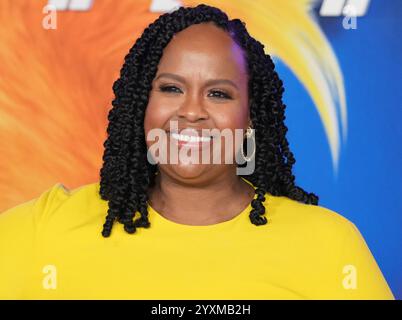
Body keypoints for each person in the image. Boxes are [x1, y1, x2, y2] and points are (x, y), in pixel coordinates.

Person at [0, 4, 394, 299]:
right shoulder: (46, 229)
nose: (191, 111)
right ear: (142, 105)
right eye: (171, 88)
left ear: (251, 117)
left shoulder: (327, 246)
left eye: (218, 94)